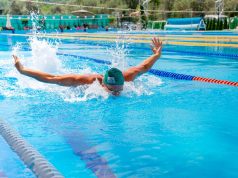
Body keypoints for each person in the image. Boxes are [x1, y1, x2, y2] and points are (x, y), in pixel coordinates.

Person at [13, 37, 162, 96]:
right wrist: (23, 70)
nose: (116, 94)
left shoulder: (127, 77)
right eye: (112, 91)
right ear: (103, 84)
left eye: (119, 90)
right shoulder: (85, 81)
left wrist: (156, 55)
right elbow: (52, 77)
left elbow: (144, 67)